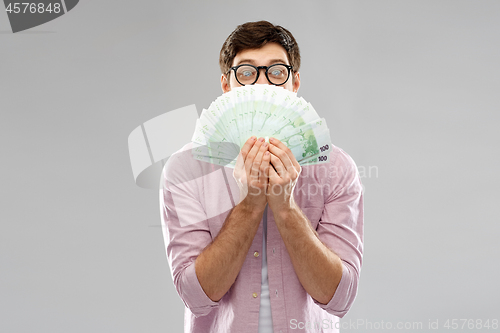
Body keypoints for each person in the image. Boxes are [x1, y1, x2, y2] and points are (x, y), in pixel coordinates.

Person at [160, 21, 364, 333]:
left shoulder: (335, 168)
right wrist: (251, 205)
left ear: (294, 84)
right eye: (246, 73)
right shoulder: (186, 169)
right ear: (227, 85)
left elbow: (338, 298)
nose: (261, 85)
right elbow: (196, 297)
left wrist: (285, 208)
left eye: (276, 72)